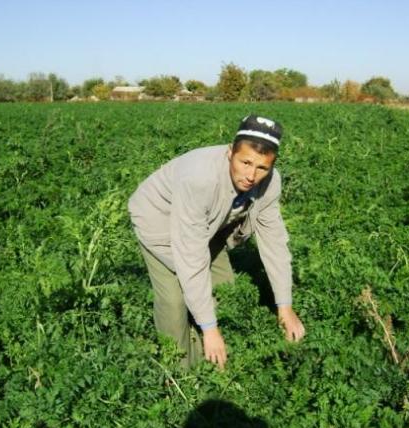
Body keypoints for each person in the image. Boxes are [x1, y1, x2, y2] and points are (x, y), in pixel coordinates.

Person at [128, 115, 305, 369]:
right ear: (230, 152)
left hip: (208, 221)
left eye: (262, 168)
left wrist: (285, 306)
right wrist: (210, 328)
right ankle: (181, 371)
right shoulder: (199, 179)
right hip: (158, 220)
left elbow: (274, 242)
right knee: (174, 301)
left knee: (225, 290)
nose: (251, 176)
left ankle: (219, 354)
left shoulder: (269, 182)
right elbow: (191, 256)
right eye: (245, 162)